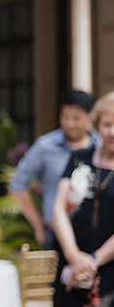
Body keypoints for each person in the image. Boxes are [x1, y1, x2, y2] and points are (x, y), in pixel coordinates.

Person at [46, 91, 114, 307]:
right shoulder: (79, 158)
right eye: (107, 124)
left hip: (109, 271)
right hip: (73, 267)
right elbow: (59, 210)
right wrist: (75, 257)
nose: (112, 131)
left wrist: (95, 261)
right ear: (97, 126)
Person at [10, 89, 98, 249]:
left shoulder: (101, 147)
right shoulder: (45, 146)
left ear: (90, 117)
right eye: (64, 117)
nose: (69, 123)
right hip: (55, 233)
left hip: (96, 233)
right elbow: (17, 185)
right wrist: (38, 225)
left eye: (76, 118)